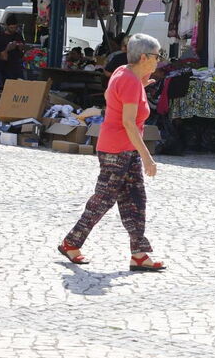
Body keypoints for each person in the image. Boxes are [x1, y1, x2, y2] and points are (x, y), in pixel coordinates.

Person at [59, 33, 166, 272]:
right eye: (157, 56)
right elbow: (129, 123)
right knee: (103, 199)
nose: (159, 60)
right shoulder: (129, 81)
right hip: (117, 149)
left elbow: (110, 96)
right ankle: (71, 243)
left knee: (135, 200)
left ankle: (139, 254)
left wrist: (140, 84)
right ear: (144, 57)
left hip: (124, 148)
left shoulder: (124, 73)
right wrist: (148, 157)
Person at [2, 14, 26, 80]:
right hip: (5, 67)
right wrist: (8, 48)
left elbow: (22, 52)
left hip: (16, 66)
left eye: (15, 28)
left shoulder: (18, 36)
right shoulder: (1, 36)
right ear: (7, 26)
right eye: (11, 28)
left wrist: (21, 48)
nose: (13, 30)